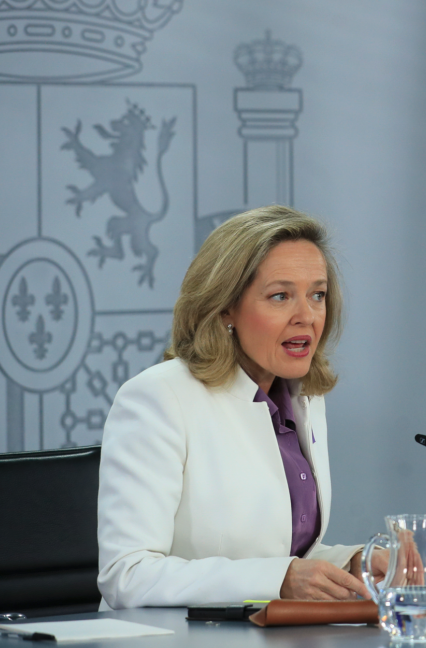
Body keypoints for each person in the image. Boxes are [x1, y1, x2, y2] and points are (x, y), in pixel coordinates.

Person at [98, 206, 382, 609]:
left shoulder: (303, 396)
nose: (306, 316)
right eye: (280, 296)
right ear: (226, 307)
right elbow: (127, 576)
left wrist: (354, 565)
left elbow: (272, 552)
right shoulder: (158, 398)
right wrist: (282, 580)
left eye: (317, 295)